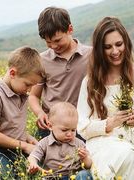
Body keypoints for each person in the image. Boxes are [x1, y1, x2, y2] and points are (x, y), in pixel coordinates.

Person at [77, 16, 134, 179]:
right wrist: (108, 124)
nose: (115, 51)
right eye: (107, 47)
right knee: (124, 154)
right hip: (103, 147)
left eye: (119, 44)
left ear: (126, 43)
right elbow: (82, 126)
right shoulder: (90, 82)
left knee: (129, 156)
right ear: (99, 50)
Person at [28, 7, 91, 139]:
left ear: (70, 29)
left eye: (57, 40)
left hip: (80, 126)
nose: (54, 46)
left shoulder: (91, 55)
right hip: (51, 127)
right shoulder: (42, 60)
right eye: (48, 42)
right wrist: (40, 113)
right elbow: (33, 96)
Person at [0, 46, 45, 179]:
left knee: (47, 167)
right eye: (27, 84)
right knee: (4, 175)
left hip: (17, 149)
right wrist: (25, 146)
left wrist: (30, 139)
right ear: (12, 73)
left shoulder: (20, 94)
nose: (29, 90)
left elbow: (12, 127)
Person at [28, 102, 93, 180]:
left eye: (73, 130)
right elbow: (33, 156)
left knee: (85, 174)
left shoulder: (79, 143)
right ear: (50, 126)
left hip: (73, 176)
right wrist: (33, 164)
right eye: (64, 130)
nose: (69, 134)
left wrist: (85, 158)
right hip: (52, 176)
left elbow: (88, 165)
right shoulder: (44, 143)